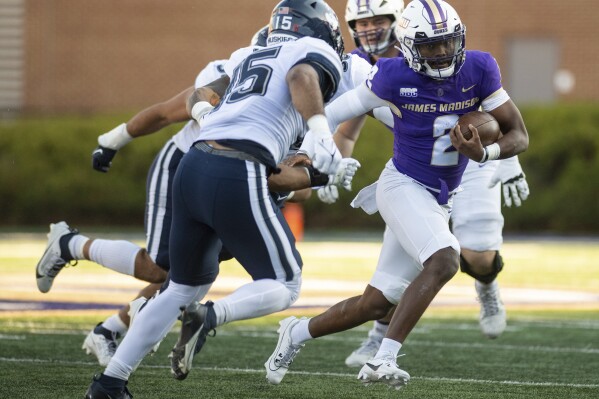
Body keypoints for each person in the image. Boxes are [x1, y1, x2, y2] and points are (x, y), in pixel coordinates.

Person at [83, 0, 349, 397]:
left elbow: (200, 93)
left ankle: (109, 383)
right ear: (321, 30)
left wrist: (317, 170)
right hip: (236, 168)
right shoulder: (311, 55)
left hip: (193, 165)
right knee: (285, 282)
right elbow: (301, 75)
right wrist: (321, 132)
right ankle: (209, 316)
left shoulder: (250, 54)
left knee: (180, 287)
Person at [264, 0, 529, 390]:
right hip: (402, 185)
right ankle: (382, 359)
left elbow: (518, 133)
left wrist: (488, 154)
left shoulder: (479, 67)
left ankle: (296, 332)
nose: (441, 53)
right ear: (407, 47)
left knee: (376, 302)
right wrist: (309, 144)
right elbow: (338, 111)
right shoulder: (391, 76)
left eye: (447, 42)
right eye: (429, 46)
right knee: (444, 260)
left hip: (441, 195)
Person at [34, 26, 332, 368]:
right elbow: (165, 112)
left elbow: (301, 191)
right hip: (186, 165)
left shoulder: (308, 94)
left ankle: (110, 330)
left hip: (240, 181)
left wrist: (310, 175)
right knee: (160, 267)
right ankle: (70, 245)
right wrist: (111, 141)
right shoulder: (231, 76)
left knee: (193, 275)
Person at [335, 0, 530, 368]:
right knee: (413, 253)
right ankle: (378, 336)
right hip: (416, 170)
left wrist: (506, 158)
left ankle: (486, 285)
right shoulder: (366, 67)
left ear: (400, 22)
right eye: (361, 23)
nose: (370, 30)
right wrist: (331, 161)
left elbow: (494, 113)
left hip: (470, 159)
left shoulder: (448, 49)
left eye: (378, 20)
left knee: (478, 253)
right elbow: (348, 124)